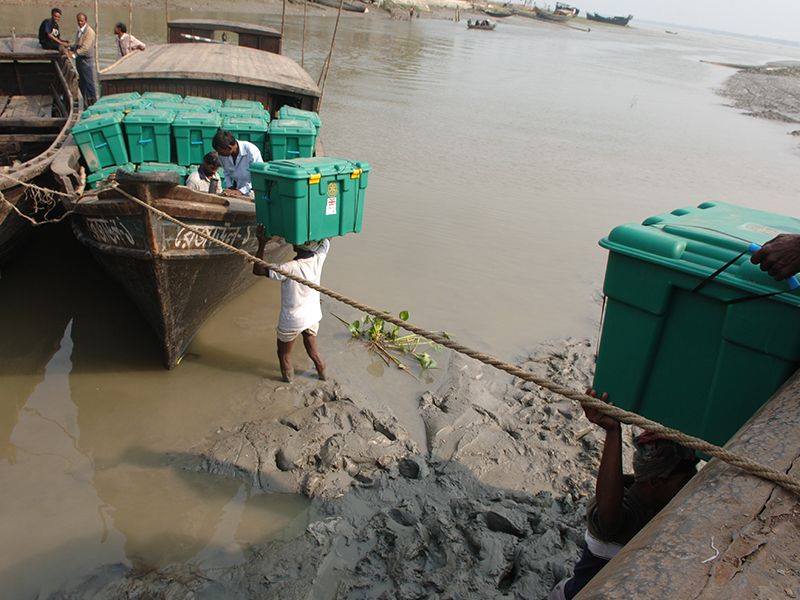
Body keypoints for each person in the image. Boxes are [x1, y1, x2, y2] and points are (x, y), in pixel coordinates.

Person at [549, 390, 698, 600]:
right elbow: (609, 515)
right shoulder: (617, 519)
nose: (690, 487)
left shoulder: (656, 501)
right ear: (656, 482)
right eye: (683, 482)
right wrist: (612, 431)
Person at [252, 225, 328, 383]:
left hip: (293, 319)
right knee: (313, 352)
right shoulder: (318, 258)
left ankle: (289, 382)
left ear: (295, 245)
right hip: (313, 315)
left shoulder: (289, 268)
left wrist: (262, 243)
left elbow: (257, 270)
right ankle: (323, 377)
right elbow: (327, 240)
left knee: (284, 354)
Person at [211, 129, 263, 198]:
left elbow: (258, 177)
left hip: (255, 193)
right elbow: (226, 172)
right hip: (238, 193)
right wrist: (230, 186)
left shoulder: (251, 151)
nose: (219, 154)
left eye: (221, 152)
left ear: (229, 148)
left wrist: (241, 191)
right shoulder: (222, 156)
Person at [71, 12, 97, 106]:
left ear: (85, 21)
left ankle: (93, 103)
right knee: (82, 82)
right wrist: (70, 47)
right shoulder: (79, 30)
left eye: (81, 20)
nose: (79, 22)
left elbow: (85, 48)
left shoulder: (90, 32)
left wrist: (74, 54)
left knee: (89, 83)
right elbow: (77, 43)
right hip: (79, 60)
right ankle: (85, 103)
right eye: (78, 20)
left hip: (86, 61)